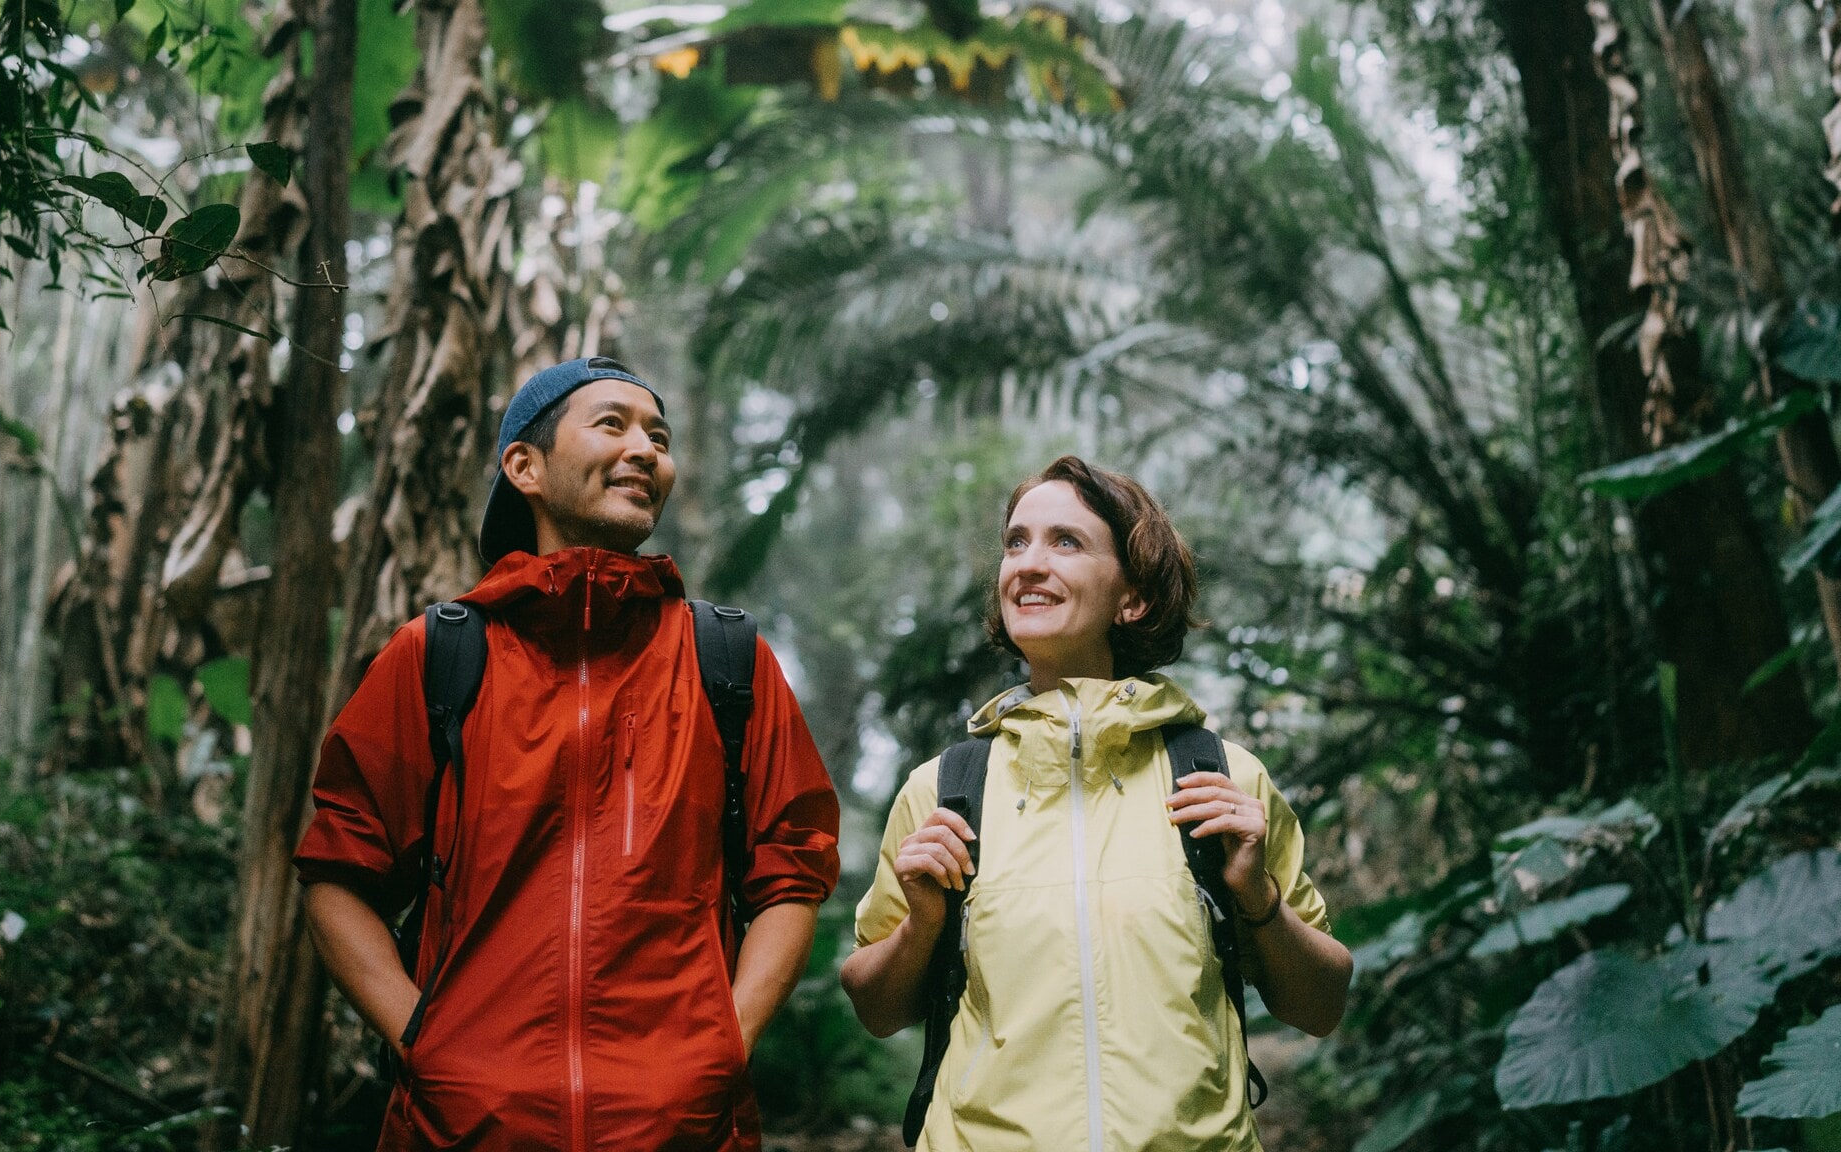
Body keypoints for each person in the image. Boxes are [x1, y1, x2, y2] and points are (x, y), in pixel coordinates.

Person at [296, 357, 841, 1152]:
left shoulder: (726, 660)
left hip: (680, 1128)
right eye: (612, 424)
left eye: (659, 437)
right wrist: (428, 1047)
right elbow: (339, 872)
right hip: (467, 1129)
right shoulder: (438, 655)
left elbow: (792, 870)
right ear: (525, 466)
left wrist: (723, 1046)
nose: (645, 450)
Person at [841, 455, 1352, 1152]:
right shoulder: (946, 789)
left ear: (1132, 598)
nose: (1028, 563)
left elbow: (1321, 1006)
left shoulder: (1220, 778)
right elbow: (875, 1008)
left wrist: (1257, 896)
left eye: (1066, 542)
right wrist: (922, 925)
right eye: (1016, 542)